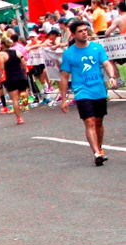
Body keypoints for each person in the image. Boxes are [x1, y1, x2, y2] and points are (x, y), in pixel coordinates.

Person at [60, 20, 117, 166]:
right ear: (73, 34)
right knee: (89, 121)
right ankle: (96, 153)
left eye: (85, 30)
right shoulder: (69, 54)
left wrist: (111, 76)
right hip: (82, 91)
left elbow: (106, 63)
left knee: (98, 121)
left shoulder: (97, 48)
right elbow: (65, 77)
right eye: (80, 31)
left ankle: (100, 148)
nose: (84, 33)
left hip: (98, 89)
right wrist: (64, 99)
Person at [0, 37, 29, 124]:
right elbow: (23, 64)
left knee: (14, 99)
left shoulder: (2, 54)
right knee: (23, 90)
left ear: (3, 45)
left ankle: (19, 118)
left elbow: (1, 67)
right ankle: (24, 97)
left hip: (10, 77)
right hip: (20, 75)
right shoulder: (17, 52)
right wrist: (25, 72)